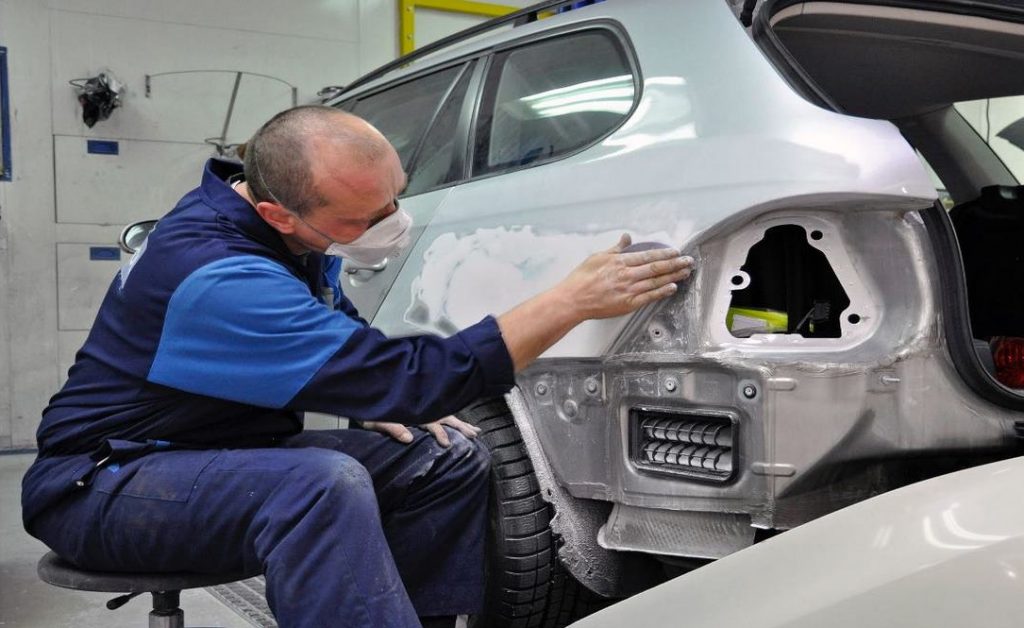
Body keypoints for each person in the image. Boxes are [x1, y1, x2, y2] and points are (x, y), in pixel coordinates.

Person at [21, 106, 695, 628]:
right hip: (103, 482)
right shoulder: (218, 276)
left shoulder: (282, 233)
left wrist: (369, 397)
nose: (394, 222)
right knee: (319, 484)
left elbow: (349, 344)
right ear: (278, 213)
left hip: (211, 448)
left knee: (446, 455)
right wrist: (568, 301)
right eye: (366, 218)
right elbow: (410, 379)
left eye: (395, 197)